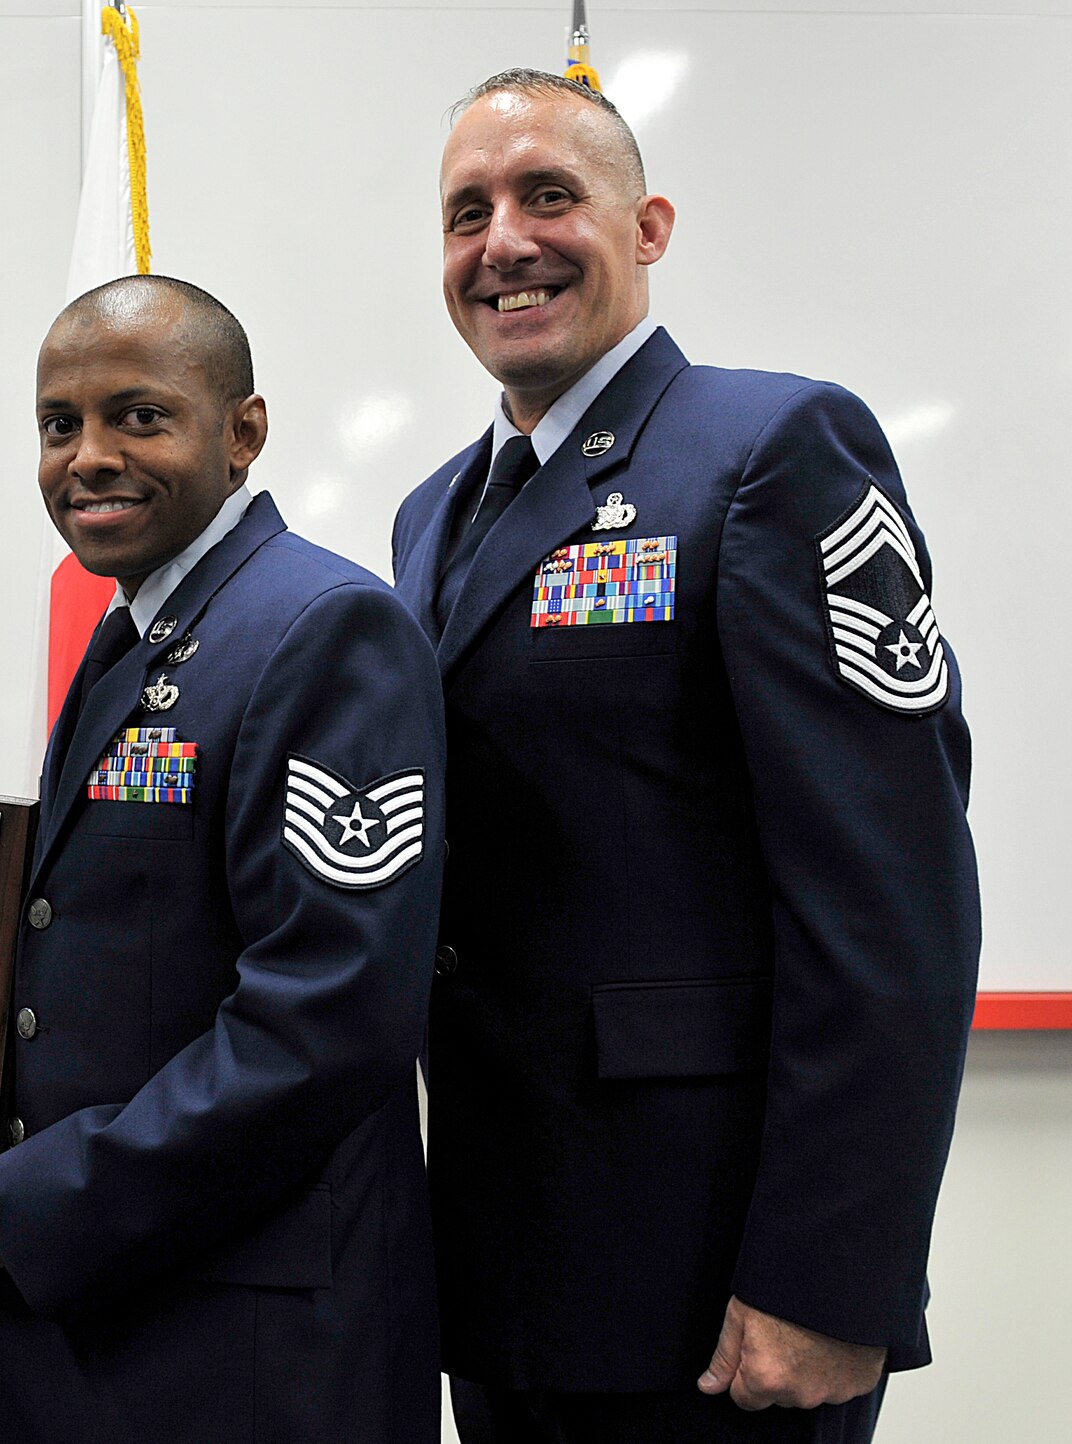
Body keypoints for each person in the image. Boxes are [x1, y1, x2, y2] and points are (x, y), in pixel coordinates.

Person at [390, 69, 980, 1442]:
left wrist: (831, 1279)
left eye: (548, 196)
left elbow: (890, 896)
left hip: (717, 1289)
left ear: (647, 227)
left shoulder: (772, 448)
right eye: (466, 214)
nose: (503, 243)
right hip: (502, 1263)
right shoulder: (430, 514)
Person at [0, 275, 446, 1443]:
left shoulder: (320, 627)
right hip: (99, 1306)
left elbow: (327, 1020)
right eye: (58, 424)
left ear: (242, 432)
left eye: (139, 416)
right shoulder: (140, 628)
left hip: (245, 1344)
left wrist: (50, 1194)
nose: (88, 457)